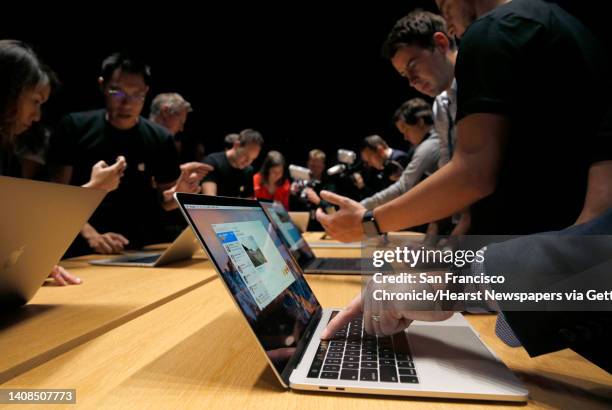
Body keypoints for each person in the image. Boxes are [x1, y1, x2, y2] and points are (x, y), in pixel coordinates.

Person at [49, 52, 210, 255]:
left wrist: (180, 195)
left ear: (146, 92)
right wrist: (92, 236)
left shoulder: (160, 138)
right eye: (117, 93)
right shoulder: (73, 127)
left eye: (137, 95)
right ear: (102, 85)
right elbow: (56, 196)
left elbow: (166, 200)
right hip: (81, 249)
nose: (127, 103)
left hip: (142, 247)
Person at [0, 39, 126, 284]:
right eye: (35, 101)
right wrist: (94, 189)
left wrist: (28, 263)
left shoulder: (7, 153)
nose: (37, 116)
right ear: (7, 92)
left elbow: (15, 235)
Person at [360, 99, 439, 211]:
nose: (405, 137)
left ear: (420, 122)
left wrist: (360, 206)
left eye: (406, 130)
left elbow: (403, 187)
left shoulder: (428, 147)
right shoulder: (438, 140)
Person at [201, 128, 263, 197]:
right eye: (245, 156)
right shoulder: (212, 162)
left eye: (252, 159)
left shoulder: (248, 170)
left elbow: (248, 200)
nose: (248, 162)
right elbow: (210, 201)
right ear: (236, 145)